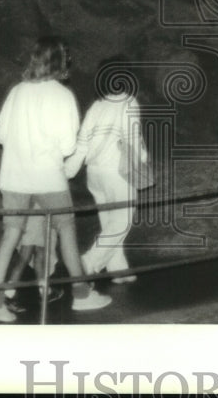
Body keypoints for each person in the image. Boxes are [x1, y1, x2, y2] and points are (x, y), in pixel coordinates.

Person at [0, 36, 110, 323]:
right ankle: (80, 295)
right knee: (65, 230)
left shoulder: (17, 91)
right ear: (62, 61)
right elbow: (67, 147)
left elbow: (1, 136)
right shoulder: (62, 96)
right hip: (47, 177)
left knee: (11, 235)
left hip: (14, 175)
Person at [66, 57, 153, 283]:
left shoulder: (97, 105)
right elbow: (133, 140)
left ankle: (117, 270)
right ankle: (91, 261)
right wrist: (143, 158)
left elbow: (82, 141)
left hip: (94, 174)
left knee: (109, 223)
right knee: (122, 221)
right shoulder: (129, 103)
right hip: (118, 173)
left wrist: (69, 170)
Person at [2, 215, 62, 313]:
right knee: (25, 259)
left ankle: (45, 292)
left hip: (37, 222)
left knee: (38, 259)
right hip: (33, 222)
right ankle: (8, 295)